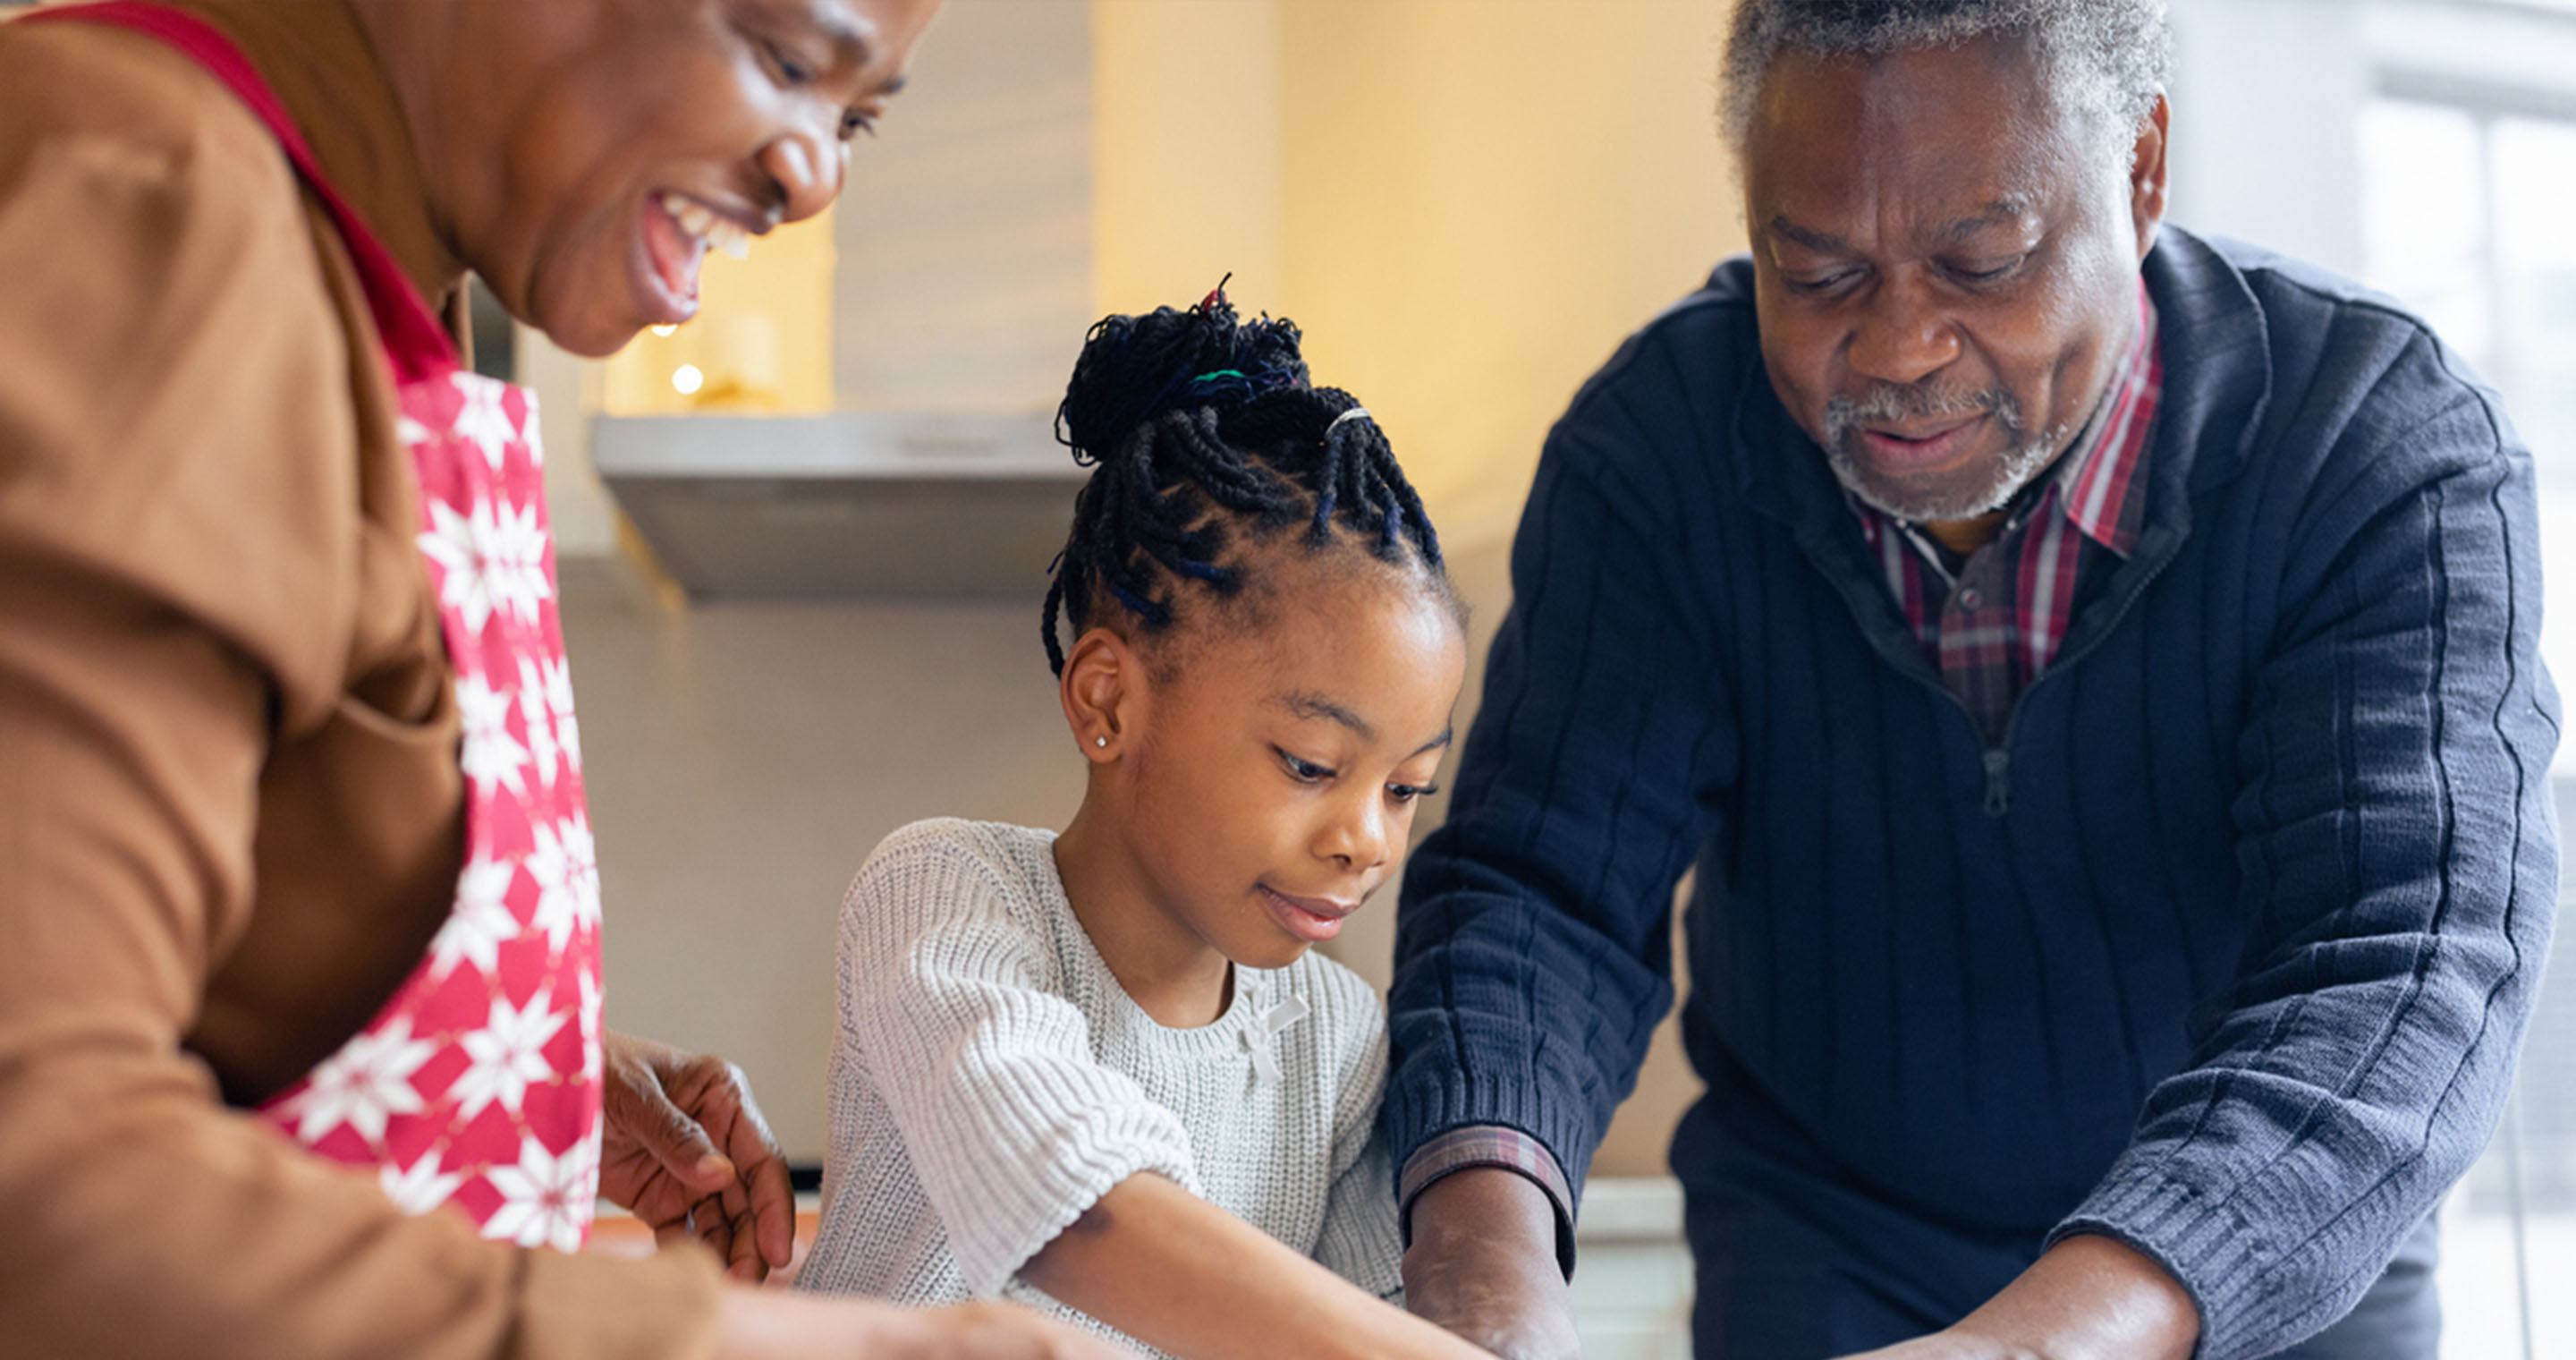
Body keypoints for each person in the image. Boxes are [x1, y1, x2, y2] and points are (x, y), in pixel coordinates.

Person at [1385, 4, 2561, 1360]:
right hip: (1831, 1250)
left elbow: (2408, 957)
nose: (1896, 352)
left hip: (2265, 1273)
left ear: (2140, 172)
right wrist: (1483, 1282)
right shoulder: (1660, 450)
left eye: (1981, 260)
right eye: (1816, 271)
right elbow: (1542, 895)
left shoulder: (2377, 446)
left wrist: (2037, 1343)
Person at [0, 2, 1118, 1356]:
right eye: (781, 57)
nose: (815, 177)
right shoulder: (149, 204)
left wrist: (511, 1078)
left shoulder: (374, 283)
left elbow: (210, 936)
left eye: (858, 116)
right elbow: (39, 1169)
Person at [794, 293, 1489, 1360]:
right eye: (1311, 764)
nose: (1368, 839)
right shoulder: (943, 892)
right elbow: (1075, 1203)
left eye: (1406, 788)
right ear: (1108, 703)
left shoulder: (1336, 1039)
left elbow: (1367, 1322)